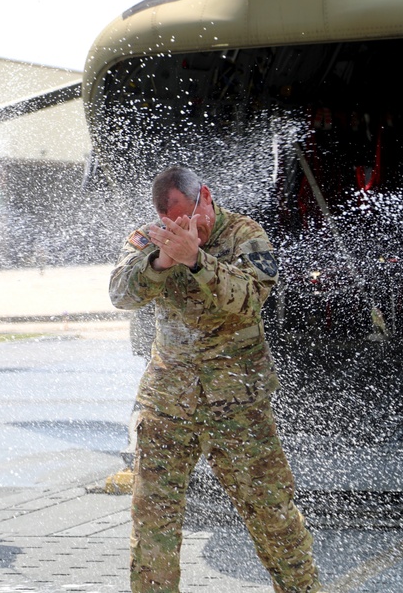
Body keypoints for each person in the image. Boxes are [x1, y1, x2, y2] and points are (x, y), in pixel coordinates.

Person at [110, 166, 323, 593]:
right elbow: (121, 294)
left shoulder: (246, 235)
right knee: (154, 521)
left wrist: (196, 261)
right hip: (168, 405)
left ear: (206, 196)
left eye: (192, 217)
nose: (187, 229)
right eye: (175, 223)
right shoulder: (150, 238)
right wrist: (160, 261)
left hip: (238, 407)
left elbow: (250, 299)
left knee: (272, 516)